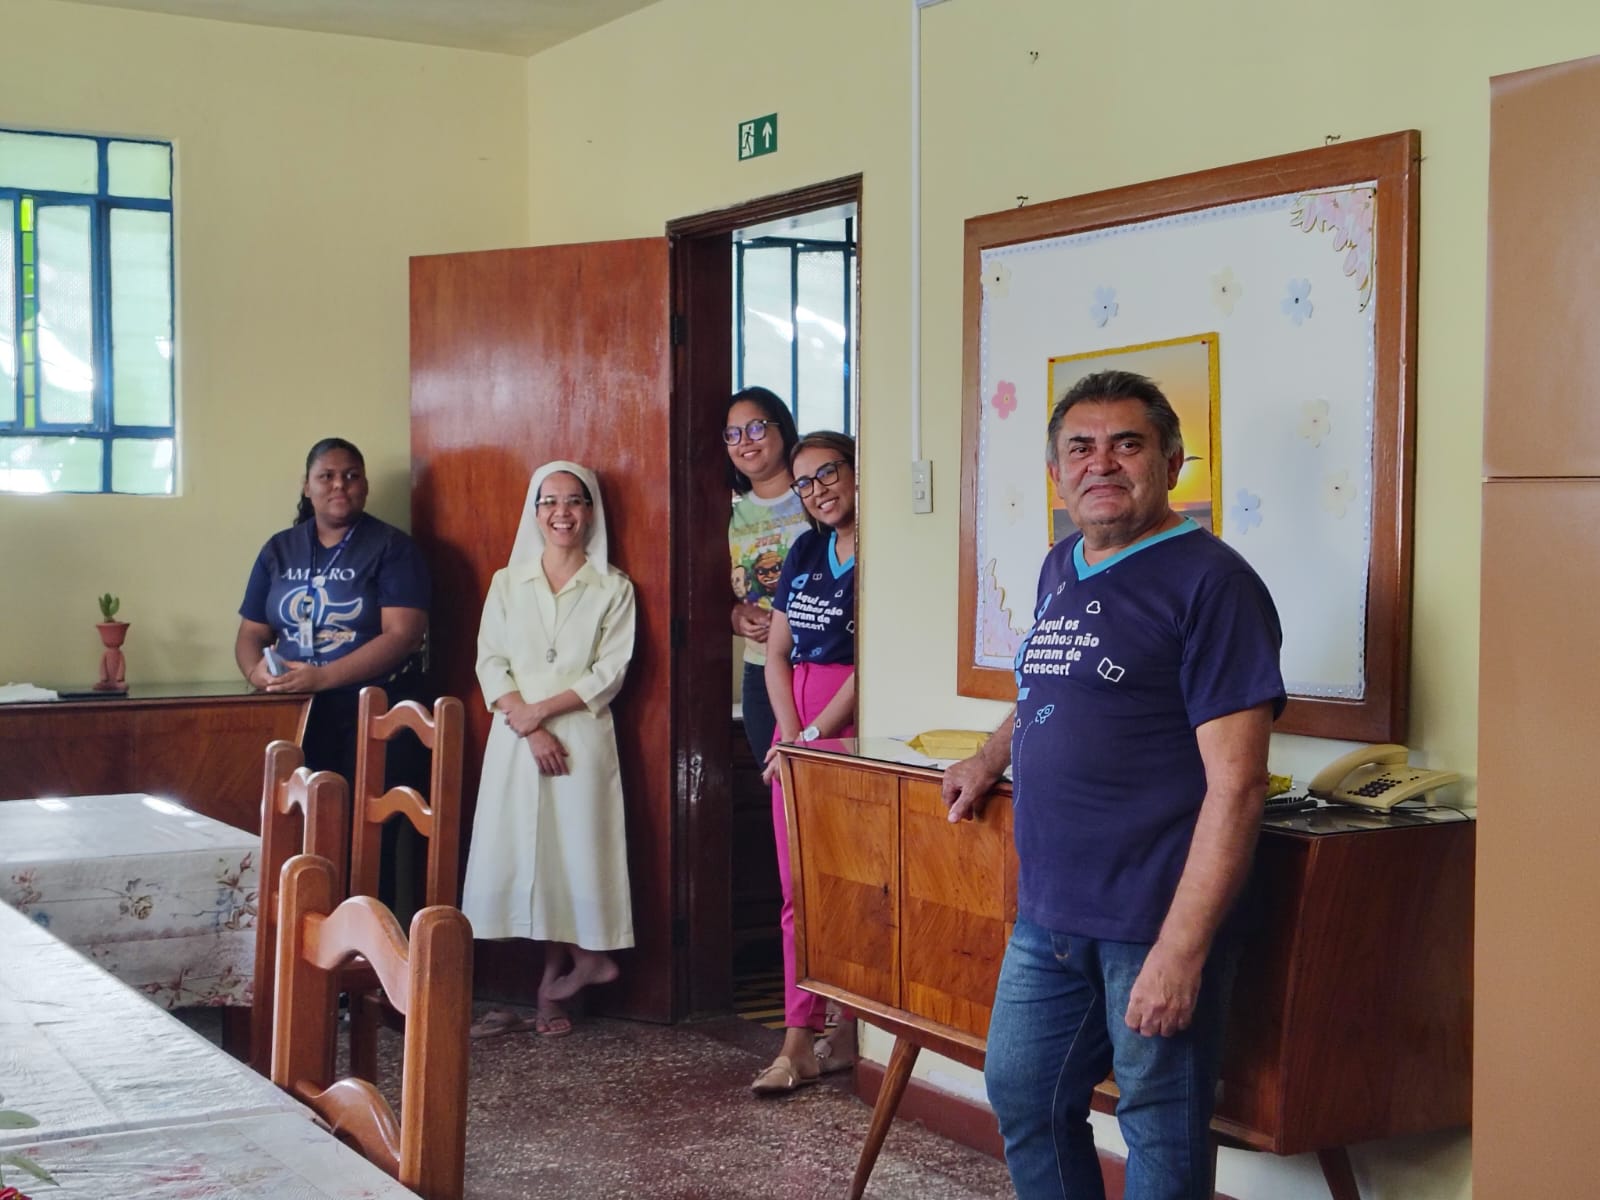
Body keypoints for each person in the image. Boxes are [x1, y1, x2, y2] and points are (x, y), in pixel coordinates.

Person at [941, 371, 1285, 1200]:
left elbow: (1239, 786)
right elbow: (1048, 688)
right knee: (1025, 1096)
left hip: (1152, 918)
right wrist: (990, 757)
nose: (1102, 463)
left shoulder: (1214, 583)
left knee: (1161, 1128)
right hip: (1050, 912)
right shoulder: (1060, 564)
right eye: (1080, 448)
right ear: (1056, 472)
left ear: (1170, 463)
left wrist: (1181, 949)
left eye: (1127, 444)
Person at [461, 460, 637, 1039]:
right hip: (517, 739)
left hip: (580, 737)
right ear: (535, 513)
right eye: (550, 502)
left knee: (571, 854)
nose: (562, 512)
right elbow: (491, 661)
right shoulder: (507, 583)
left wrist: (543, 713)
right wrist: (529, 723)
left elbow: (609, 672)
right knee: (525, 853)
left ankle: (579, 966)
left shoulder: (613, 588)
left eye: (574, 501)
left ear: (590, 511)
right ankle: (549, 986)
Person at [750, 430, 860, 1095]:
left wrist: (817, 734)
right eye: (805, 483)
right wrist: (791, 736)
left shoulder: (884, 550)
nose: (818, 491)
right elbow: (775, 653)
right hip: (794, 726)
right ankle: (799, 1038)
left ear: (857, 472)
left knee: (852, 885)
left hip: (847, 729)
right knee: (798, 889)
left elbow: (874, 661)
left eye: (829, 474)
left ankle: (848, 1029)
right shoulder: (805, 550)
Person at [235, 436, 431, 785]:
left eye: (351, 476)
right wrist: (256, 673)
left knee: (362, 814)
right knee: (296, 808)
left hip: (373, 707)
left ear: (365, 486)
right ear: (307, 486)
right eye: (327, 476)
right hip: (294, 708)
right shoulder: (279, 548)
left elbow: (404, 635)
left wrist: (323, 677)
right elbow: (252, 632)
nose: (340, 484)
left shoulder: (393, 548)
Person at [725, 386, 810, 760]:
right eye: (733, 434)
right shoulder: (731, 513)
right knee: (775, 779)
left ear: (782, 429)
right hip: (759, 669)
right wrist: (736, 615)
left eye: (756, 428)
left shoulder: (812, 497)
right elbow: (722, 590)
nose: (745, 441)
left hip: (814, 666)